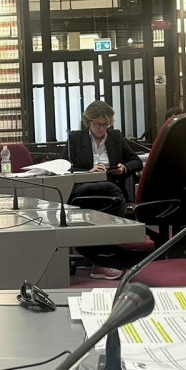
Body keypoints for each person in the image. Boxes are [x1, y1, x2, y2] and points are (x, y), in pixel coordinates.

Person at [62, 100, 143, 279]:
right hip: (84, 189)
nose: (101, 129)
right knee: (113, 195)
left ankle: (101, 262)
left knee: (111, 195)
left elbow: (136, 161)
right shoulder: (75, 139)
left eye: (105, 125)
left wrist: (123, 168)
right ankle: (108, 260)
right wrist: (88, 172)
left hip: (111, 187)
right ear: (88, 122)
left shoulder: (115, 137)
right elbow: (64, 168)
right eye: (97, 124)